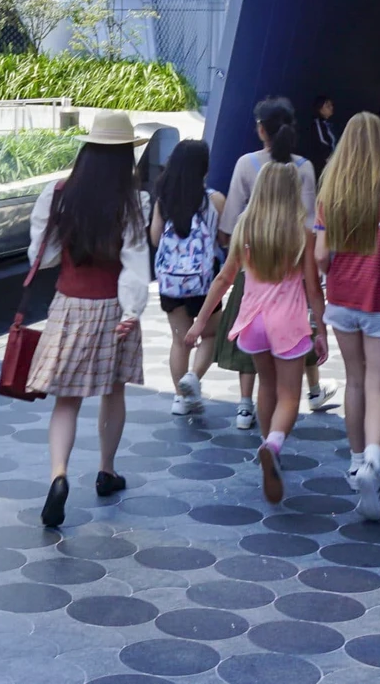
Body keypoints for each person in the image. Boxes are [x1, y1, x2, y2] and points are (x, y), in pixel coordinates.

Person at [25, 110, 151, 528]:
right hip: (113, 306)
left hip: (69, 305)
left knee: (67, 400)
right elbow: (134, 262)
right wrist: (132, 310)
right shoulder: (133, 203)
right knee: (114, 392)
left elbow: (42, 257)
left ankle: (59, 475)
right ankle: (106, 470)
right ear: (124, 158)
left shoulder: (59, 193)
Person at [186, 161, 328, 504]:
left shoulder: (245, 227)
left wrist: (200, 321)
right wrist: (321, 328)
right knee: (290, 395)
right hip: (288, 323)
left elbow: (224, 278)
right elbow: (312, 286)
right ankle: (274, 444)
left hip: (252, 322)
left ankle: (268, 446)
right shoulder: (301, 232)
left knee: (266, 385)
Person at [314, 111, 380, 521]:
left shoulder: (333, 191)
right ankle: (375, 461)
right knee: (379, 384)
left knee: (354, 381)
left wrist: (332, 276)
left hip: (342, 300)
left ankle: (357, 460)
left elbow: (321, 254)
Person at [214, 96, 335, 422]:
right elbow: (310, 219)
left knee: (252, 337)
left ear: (261, 129)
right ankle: (299, 402)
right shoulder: (305, 167)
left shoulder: (246, 164)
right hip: (294, 265)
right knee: (295, 337)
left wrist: (232, 245)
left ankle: (244, 404)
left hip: (253, 263)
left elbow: (229, 222)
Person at [149, 139, 224, 417]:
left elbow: (155, 238)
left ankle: (180, 399)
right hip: (205, 283)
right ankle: (193, 377)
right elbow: (224, 237)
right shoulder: (214, 199)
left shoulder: (163, 200)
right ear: (204, 168)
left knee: (179, 340)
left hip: (171, 284)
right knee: (210, 334)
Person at [309, 96, 339, 177]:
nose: (331, 108)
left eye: (331, 105)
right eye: (328, 106)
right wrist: (329, 158)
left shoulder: (330, 124)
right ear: (320, 108)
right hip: (324, 165)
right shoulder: (316, 124)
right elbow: (322, 142)